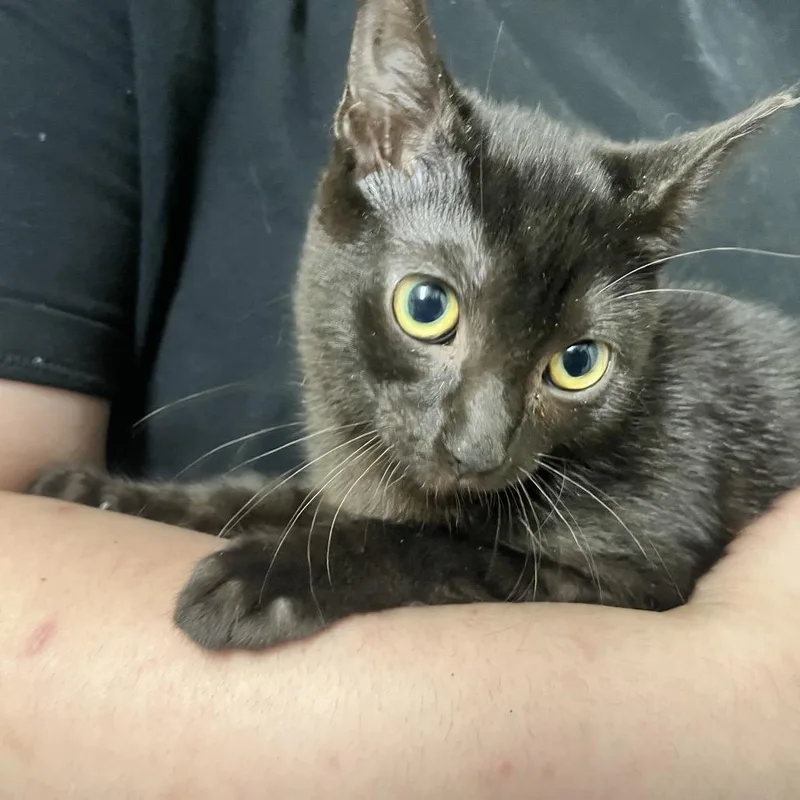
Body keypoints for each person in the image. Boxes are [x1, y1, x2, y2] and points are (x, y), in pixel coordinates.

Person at [1, 0, 799, 796]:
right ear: (374, 152)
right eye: (432, 311)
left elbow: (622, 581)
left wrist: (374, 564)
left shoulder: (645, 444)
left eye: (574, 368)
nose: (482, 445)